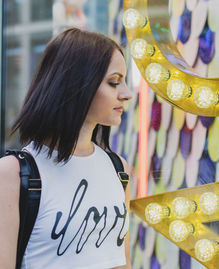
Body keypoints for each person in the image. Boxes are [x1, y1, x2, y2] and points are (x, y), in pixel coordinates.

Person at [0, 28, 133, 269]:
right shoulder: (14, 173)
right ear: (76, 84)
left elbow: (120, 261)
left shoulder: (118, 169)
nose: (127, 94)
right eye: (114, 82)